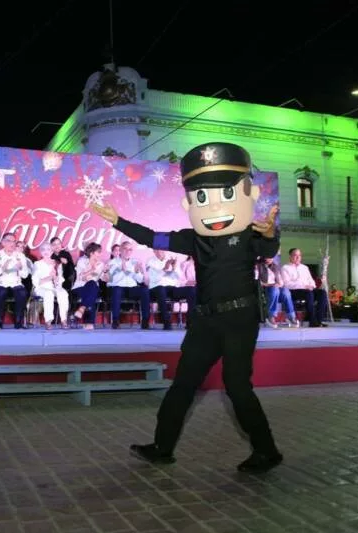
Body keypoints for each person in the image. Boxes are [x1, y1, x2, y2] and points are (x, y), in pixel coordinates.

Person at [91, 141, 283, 473]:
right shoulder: (193, 238)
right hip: (205, 321)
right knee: (182, 384)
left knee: (237, 386)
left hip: (239, 319)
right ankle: (161, 447)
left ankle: (267, 451)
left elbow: (268, 248)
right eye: (202, 196)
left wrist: (269, 233)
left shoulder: (250, 235)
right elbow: (153, 238)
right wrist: (118, 221)